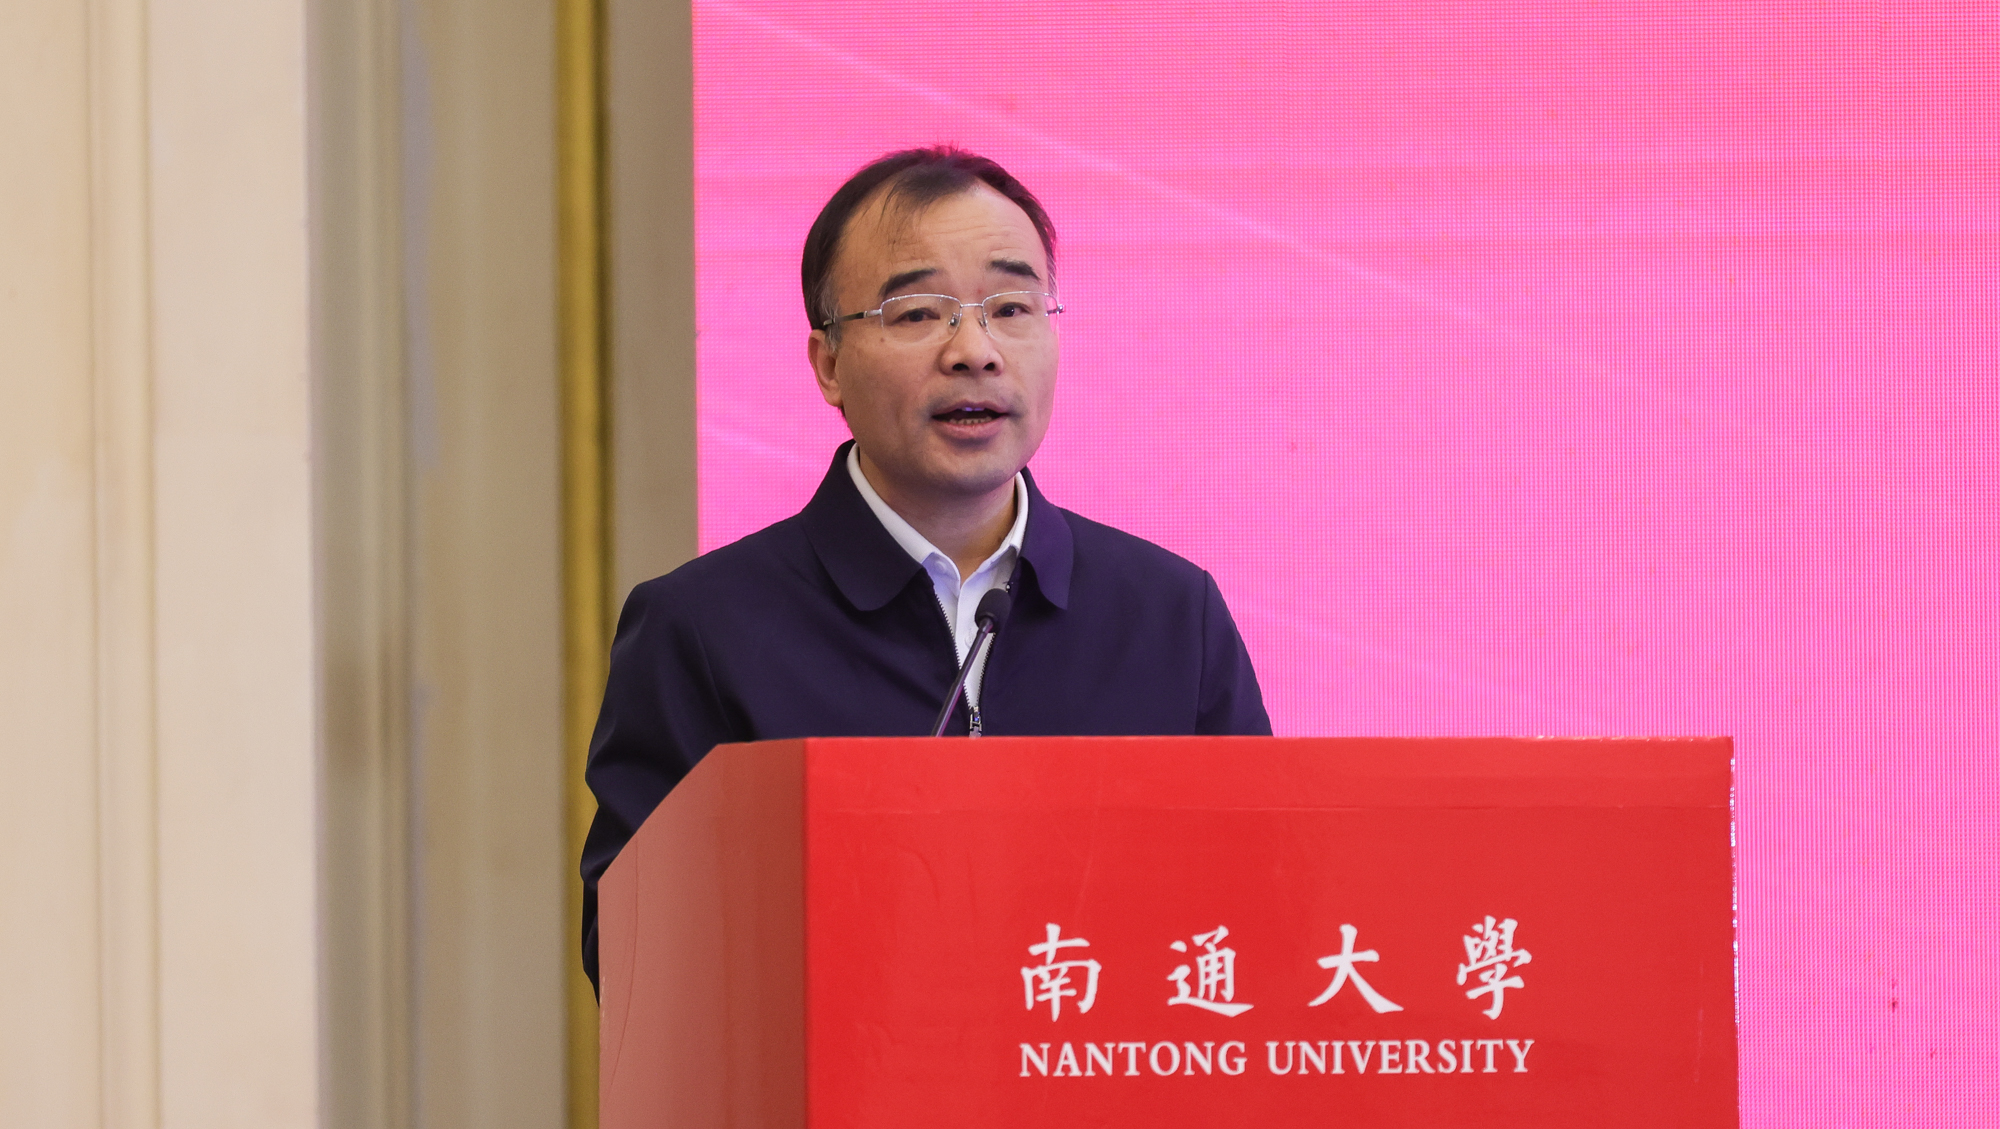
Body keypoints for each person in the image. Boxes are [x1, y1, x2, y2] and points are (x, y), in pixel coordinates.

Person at [579, 146, 1269, 989]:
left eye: (1011, 307)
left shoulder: (1171, 615)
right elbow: (634, 958)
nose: (975, 350)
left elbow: (1259, 907)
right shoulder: (703, 628)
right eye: (916, 313)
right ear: (828, 364)